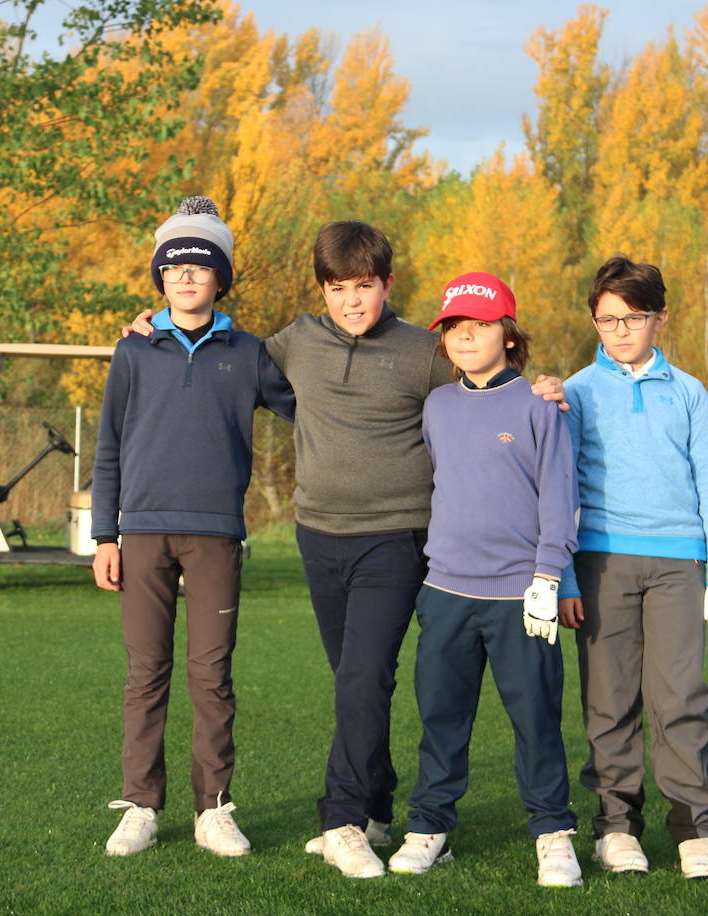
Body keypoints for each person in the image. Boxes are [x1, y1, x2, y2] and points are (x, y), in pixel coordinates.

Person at [125, 220, 564, 879]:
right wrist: (154, 326)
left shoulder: (423, 350)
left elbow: (488, 371)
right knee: (357, 680)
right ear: (322, 291)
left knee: (363, 676)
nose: (352, 301)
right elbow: (221, 349)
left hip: (396, 538)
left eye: (364, 286)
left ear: (386, 284)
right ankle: (380, 804)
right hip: (319, 536)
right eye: (337, 288)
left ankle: (343, 821)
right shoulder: (294, 342)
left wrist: (546, 384)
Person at [90, 196, 296, 860]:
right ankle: (142, 806)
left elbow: (318, 400)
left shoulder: (250, 353)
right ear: (160, 277)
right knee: (146, 672)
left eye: (199, 266)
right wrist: (103, 535)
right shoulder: (134, 351)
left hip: (215, 536)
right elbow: (108, 448)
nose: (185, 276)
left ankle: (213, 809)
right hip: (142, 534)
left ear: (219, 278)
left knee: (211, 676)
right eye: (174, 266)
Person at [386, 273, 583, 888]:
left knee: (536, 720)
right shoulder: (438, 406)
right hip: (445, 592)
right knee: (441, 717)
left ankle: (553, 832)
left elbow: (558, 498)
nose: (465, 337)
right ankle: (430, 826)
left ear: (508, 333)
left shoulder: (538, 405)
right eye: (453, 328)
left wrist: (549, 577)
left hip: (519, 597)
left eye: (479, 325)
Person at [556, 255, 708, 880]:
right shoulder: (577, 392)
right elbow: (560, 490)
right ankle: (616, 827)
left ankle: (694, 829)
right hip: (601, 562)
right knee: (609, 702)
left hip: (678, 565)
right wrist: (564, 576)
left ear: (660, 317)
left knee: (681, 698)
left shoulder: (688, 393)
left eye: (632, 318)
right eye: (606, 320)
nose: (619, 331)